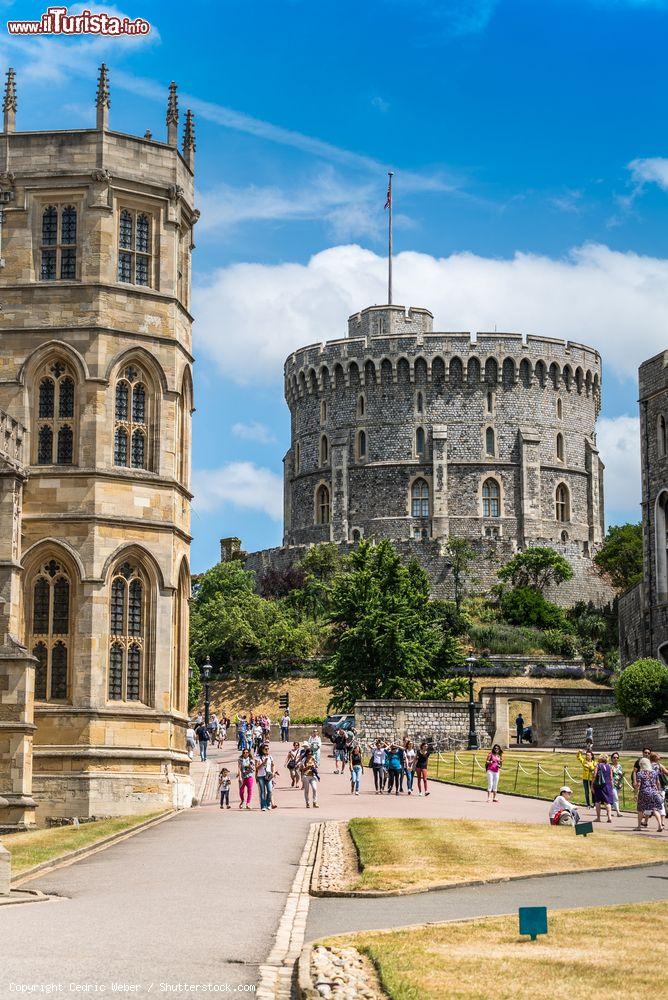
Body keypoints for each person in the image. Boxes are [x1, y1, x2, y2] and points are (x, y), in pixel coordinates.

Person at [634, 757, 664, 832]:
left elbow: (639, 784)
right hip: (654, 792)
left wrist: (635, 792)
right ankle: (660, 825)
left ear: (641, 765)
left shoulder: (640, 773)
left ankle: (639, 826)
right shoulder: (654, 772)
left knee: (640, 809)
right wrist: (658, 791)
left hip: (644, 792)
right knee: (655, 809)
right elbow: (658, 783)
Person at [592, 753, 614, 823]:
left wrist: (592, 785)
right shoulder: (609, 766)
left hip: (599, 785)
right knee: (607, 802)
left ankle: (598, 817)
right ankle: (609, 817)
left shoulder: (598, 765)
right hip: (607, 785)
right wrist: (611, 785)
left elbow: (595, 775)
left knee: (597, 801)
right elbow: (611, 777)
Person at [256, 743, 278, 812]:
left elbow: (273, 765)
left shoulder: (270, 757)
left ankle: (268, 803)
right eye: (266, 749)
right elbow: (257, 768)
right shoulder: (258, 757)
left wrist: (273, 772)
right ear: (262, 750)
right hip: (261, 776)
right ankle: (263, 806)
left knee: (270, 790)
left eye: (268, 749)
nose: (267, 750)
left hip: (268, 775)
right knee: (262, 791)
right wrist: (263, 763)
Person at [610, 752, 624, 817]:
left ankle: (609, 811)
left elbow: (621, 776)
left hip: (618, 784)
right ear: (611, 758)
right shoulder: (609, 766)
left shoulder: (619, 766)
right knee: (616, 798)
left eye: (617, 757)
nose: (616, 759)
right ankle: (618, 812)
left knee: (613, 798)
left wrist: (621, 783)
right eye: (614, 757)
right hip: (611, 784)